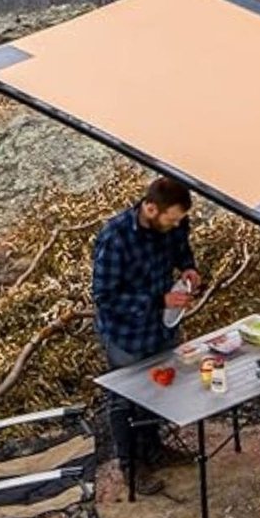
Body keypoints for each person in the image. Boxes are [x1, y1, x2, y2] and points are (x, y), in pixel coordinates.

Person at [92, 176, 201, 494]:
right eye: (173, 218)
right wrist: (158, 301)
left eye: (181, 218)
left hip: (162, 326)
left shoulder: (174, 224)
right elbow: (105, 297)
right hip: (126, 333)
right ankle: (130, 466)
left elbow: (181, 248)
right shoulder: (116, 237)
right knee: (124, 398)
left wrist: (188, 268)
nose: (178, 224)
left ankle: (154, 449)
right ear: (150, 208)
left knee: (159, 386)